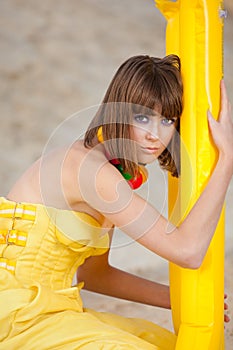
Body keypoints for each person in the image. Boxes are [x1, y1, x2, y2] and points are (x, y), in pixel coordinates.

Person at [0, 54, 232, 349]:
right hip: (17, 316)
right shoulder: (93, 173)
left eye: (167, 120)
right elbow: (188, 252)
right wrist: (226, 160)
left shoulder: (109, 167)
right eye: (142, 117)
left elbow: (96, 275)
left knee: (162, 342)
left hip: (50, 309)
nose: (154, 135)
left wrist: (180, 300)